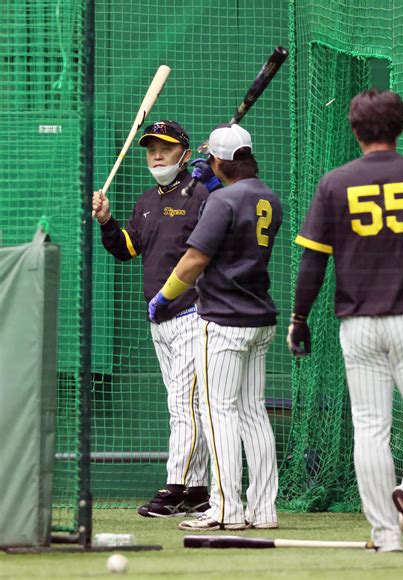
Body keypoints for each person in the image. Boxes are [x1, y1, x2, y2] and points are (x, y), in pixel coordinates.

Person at [287, 90, 403, 553]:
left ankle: (386, 534)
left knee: (370, 425)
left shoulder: (334, 183)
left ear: (354, 130)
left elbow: (313, 262)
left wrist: (299, 317)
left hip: (358, 324)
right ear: (400, 126)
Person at [148, 124, 282, 531]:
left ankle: (226, 508)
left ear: (221, 162)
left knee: (217, 413)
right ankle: (263, 510)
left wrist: (165, 297)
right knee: (253, 414)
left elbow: (192, 261)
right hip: (260, 320)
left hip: (223, 320)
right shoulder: (269, 198)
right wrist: (215, 186)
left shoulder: (221, 202)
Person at [92, 120, 217, 518]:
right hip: (158, 319)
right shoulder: (146, 201)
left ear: (182, 153)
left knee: (184, 405)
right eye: (150, 149)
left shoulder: (200, 193)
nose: (156, 155)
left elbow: (215, 239)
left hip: (193, 313)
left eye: (164, 147)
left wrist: (210, 177)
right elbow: (126, 249)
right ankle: (196, 490)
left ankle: (174, 487)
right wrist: (107, 221)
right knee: (187, 406)